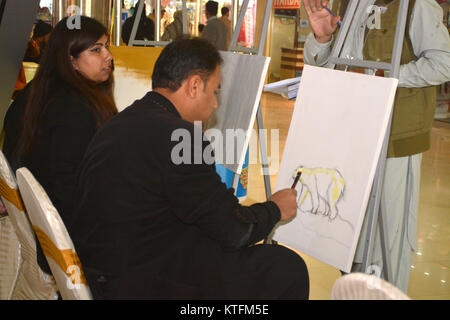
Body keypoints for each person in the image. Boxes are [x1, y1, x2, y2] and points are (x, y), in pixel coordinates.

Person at [69, 38, 310, 300]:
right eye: (215, 91)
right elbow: (236, 231)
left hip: (103, 270)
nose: (216, 104)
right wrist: (275, 208)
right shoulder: (180, 136)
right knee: (284, 267)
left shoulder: (123, 120)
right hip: (136, 283)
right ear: (195, 85)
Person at [302, 0, 450, 292]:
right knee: (348, 236)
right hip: (352, 134)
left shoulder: (416, 6)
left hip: (395, 139)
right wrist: (322, 38)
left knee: (387, 238)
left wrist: (385, 77)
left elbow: (444, 62)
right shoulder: (354, 5)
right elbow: (325, 65)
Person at [3, 16, 118, 271]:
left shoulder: (42, 92)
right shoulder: (74, 109)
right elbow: (68, 187)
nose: (108, 56)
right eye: (96, 50)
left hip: (51, 238)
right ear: (71, 60)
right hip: (75, 247)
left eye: (107, 46)